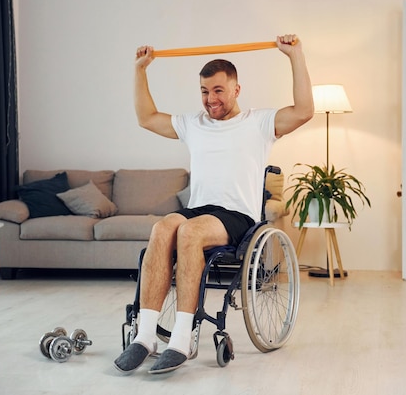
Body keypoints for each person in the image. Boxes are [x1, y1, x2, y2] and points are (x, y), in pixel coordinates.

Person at [114, 34, 314, 375]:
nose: (211, 99)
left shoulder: (260, 122)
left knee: (190, 232)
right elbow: (147, 117)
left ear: (236, 89)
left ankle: (181, 339)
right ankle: (145, 336)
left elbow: (305, 111)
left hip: (237, 216)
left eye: (219, 90)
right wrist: (140, 70)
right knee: (162, 228)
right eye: (205, 92)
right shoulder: (194, 124)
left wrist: (295, 55)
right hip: (200, 208)